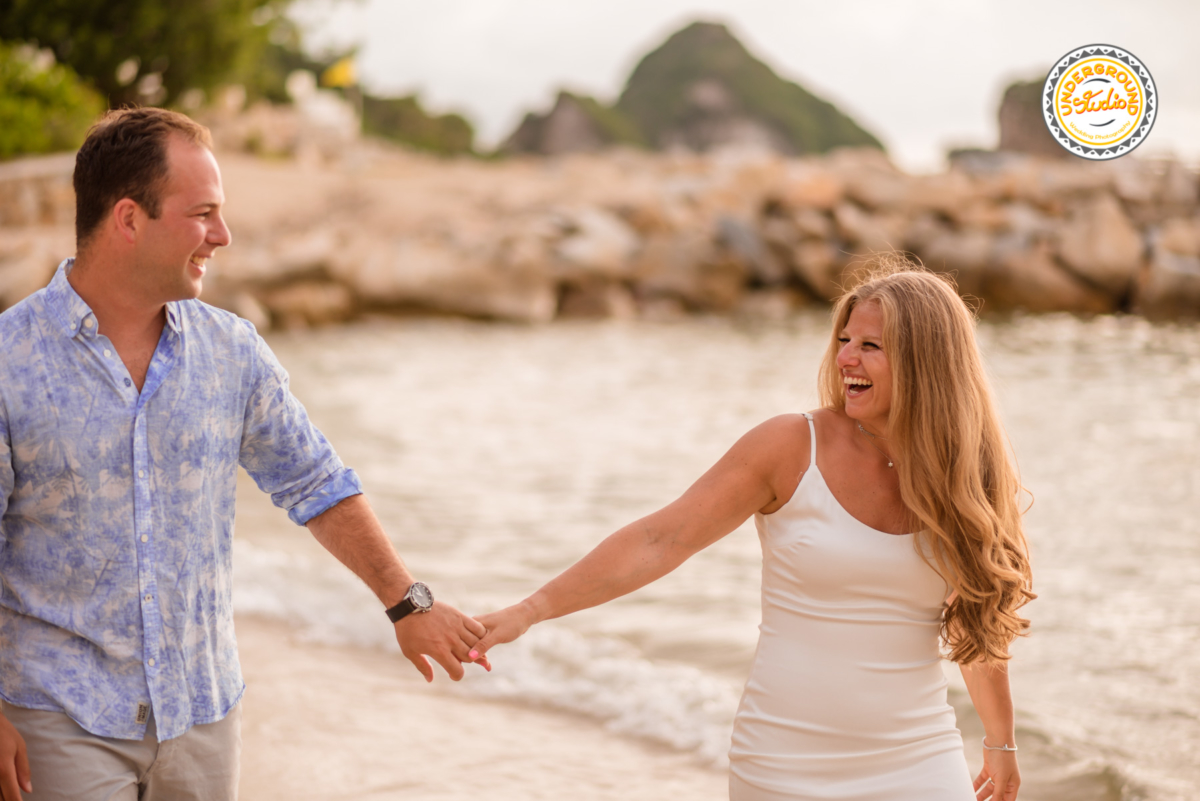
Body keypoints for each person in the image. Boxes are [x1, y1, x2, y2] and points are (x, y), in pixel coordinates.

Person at [0, 107, 487, 801]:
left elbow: (315, 482)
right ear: (130, 218)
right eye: (203, 214)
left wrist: (407, 602)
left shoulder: (232, 353)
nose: (222, 237)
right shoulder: (9, 362)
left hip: (203, 718)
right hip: (59, 718)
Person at [469, 259, 1035, 801]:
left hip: (918, 756)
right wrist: (531, 610)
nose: (846, 361)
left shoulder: (967, 475)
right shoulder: (791, 446)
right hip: (786, 759)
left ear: (925, 362)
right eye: (844, 341)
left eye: (870, 346)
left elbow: (977, 623)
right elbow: (662, 540)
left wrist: (1000, 739)